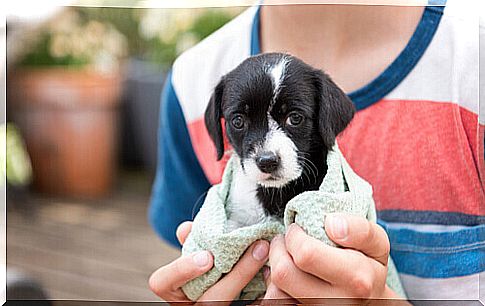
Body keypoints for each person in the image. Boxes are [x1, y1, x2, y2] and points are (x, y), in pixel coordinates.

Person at [148, 0, 484, 302]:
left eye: (294, 117)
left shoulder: (474, 61)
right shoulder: (190, 84)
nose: (265, 151)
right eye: (238, 122)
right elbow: (196, 259)